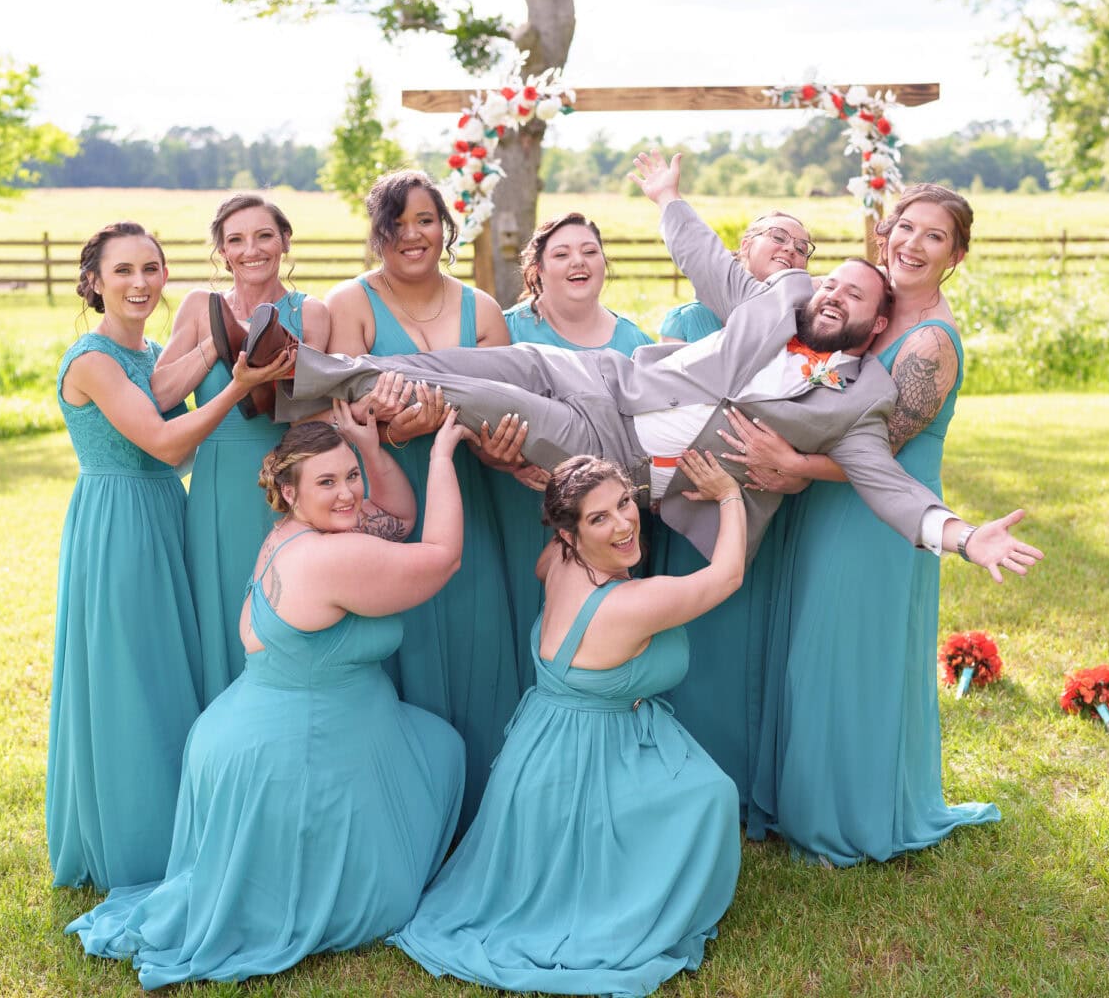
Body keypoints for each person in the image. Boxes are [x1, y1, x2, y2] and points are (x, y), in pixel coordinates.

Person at [276, 152, 1043, 585]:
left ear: (876, 325)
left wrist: (965, 536)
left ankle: (292, 374)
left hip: (615, 451)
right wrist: (668, 198)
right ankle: (308, 373)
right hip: (604, 380)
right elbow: (710, 262)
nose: (834, 293)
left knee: (466, 393)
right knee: (464, 358)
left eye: (855, 296)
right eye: (832, 281)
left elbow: (892, 487)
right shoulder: (777, 302)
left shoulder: (857, 403)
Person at [66, 408, 470, 989]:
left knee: (438, 747)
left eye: (350, 476)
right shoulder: (331, 555)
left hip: (265, 724)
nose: (348, 493)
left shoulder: (299, 531)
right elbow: (441, 556)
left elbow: (399, 520)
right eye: (327, 483)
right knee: (433, 772)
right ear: (288, 490)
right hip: (291, 748)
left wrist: (368, 449)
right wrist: (437, 456)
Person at [390, 452, 745, 997]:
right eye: (599, 518)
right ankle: (624, 903)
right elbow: (728, 575)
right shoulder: (632, 603)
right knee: (712, 795)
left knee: (697, 785)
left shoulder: (558, 560)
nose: (625, 523)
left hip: (538, 747)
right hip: (586, 757)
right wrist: (728, 495)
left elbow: (543, 562)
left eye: (624, 503)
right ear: (572, 533)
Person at [740, 184, 1002, 865]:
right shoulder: (869, 310)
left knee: (851, 661)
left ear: (957, 255)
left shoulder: (928, 344)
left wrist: (792, 461)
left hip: (879, 524)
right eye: (904, 227)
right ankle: (798, 797)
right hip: (824, 506)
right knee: (811, 654)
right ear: (883, 232)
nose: (912, 244)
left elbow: (878, 455)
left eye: (934, 236)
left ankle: (847, 818)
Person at [48, 221, 292, 891]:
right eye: (123, 271)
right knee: (130, 675)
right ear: (94, 282)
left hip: (165, 513)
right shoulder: (92, 359)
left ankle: (185, 821)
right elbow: (160, 440)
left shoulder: (152, 354)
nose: (140, 283)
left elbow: (183, 449)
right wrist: (239, 386)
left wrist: (222, 363)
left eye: (151, 269)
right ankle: (136, 841)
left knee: (171, 670)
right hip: (117, 523)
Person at [320, 169, 518, 831]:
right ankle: (400, 812)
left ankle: (484, 808)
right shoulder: (349, 303)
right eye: (398, 222)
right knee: (397, 638)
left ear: (445, 228)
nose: (414, 235)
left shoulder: (482, 310)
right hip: (384, 494)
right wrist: (386, 421)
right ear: (379, 234)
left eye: (426, 220)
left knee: (476, 631)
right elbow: (338, 407)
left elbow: (508, 409)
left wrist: (441, 422)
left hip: (469, 488)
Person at [646, 209, 816, 815]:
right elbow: (667, 404)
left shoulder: (804, 331)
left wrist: (789, 468)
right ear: (742, 247)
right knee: (695, 646)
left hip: (757, 512)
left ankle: (748, 787)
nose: (793, 249)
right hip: (689, 506)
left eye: (804, 246)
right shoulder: (689, 319)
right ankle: (688, 785)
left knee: (751, 652)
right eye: (778, 235)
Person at [154, 194, 330, 706]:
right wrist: (220, 337)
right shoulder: (196, 307)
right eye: (236, 240)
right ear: (223, 252)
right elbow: (161, 394)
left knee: (286, 612)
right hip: (216, 488)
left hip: (286, 486)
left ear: (285, 242)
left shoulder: (311, 311)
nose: (251, 250)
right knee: (223, 614)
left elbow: (315, 409)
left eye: (263, 236)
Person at [488, 212, 653, 690]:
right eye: (561, 254)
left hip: (604, 524)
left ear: (604, 262)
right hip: (516, 501)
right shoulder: (508, 331)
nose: (578, 261)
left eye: (589, 251)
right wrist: (500, 456)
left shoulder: (634, 342)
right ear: (536, 269)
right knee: (516, 619)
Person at [659, 210, 815, 343]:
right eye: (779, 237)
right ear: (746, 246)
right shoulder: (685, 321)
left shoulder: (808, 328)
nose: (790, 248)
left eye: (801, 248)